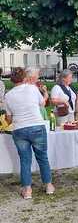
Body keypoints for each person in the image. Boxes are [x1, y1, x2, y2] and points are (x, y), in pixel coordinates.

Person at [5, 68, 55, 199]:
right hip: (36, 126)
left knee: (25, 160)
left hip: (19, 129)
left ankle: (27, 190)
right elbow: (42, 104)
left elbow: (9, 119)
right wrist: (45, 95)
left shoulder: (8, 95)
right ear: (24, 78)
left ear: (11, 79)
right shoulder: (32, 88)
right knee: (42, 157)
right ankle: (48, 185)